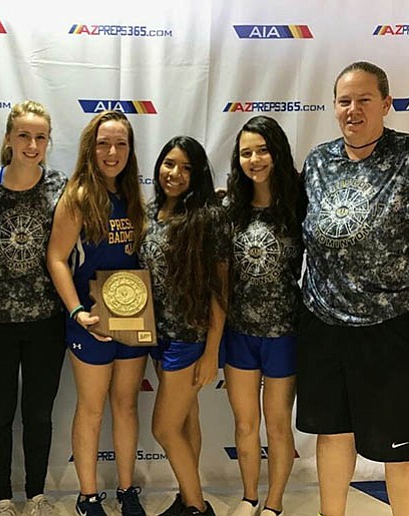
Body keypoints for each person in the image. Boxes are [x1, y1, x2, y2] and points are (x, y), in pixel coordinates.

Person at [296, 61, 409, 516]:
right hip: (324, 322)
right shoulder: (317, 163)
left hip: (398, 325)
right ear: (334, 107)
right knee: (332, 433)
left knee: (403, 448)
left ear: (386, 104)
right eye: (344, 101)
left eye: (364, 99)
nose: (353, 109)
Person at [47, 110, 148, 516]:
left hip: (133, 316)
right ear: (91, 147)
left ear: (130, 150)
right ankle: (88, 495)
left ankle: (127, 490)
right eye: (104, 143)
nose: (112, 151)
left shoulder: (135, 196)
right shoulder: (77, 196)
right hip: (91, 319)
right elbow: (55, 257)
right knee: (91, 408)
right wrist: (76, 312)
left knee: (125, 406)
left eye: (120, 143)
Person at [0, 100, 67, 516]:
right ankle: (2, 498)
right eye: (24, 135)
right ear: (9, 137)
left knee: (38, 414)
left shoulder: (60, 186)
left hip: (47, 321)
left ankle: (35, 495)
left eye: (40, 137)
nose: (32, 144)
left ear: (48, 141)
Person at [139, 136, 227, 516]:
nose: (175, 173)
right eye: (169, 164)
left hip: (188, 338)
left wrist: (211, 351)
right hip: (158, 335)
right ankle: (186, 494)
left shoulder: (209, 217)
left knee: (164, 429)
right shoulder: (150, 210)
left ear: (198, 175)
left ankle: (196, 506)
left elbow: (219, 291)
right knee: (187, 418)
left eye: (186, 168)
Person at [223, 116, 304, 516]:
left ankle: (273, 503)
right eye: (245, 152)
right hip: (238, 333)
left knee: (276, 425)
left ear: (277, 151)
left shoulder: (299, 203)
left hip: (283, 333)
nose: (254, 159)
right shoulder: (230, 209)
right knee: (244, 425)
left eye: (262, 150)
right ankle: (249, 496)